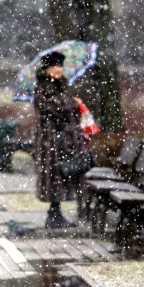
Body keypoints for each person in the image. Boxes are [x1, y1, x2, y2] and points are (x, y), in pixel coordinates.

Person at [33, 51, 84, 229]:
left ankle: (55, 213)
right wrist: (73, 103)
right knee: (54, 175)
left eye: (60, 66)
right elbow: (55, 108)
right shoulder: (44, 87)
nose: (58, 70)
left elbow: (62, 105)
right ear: (46, 69)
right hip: (51, 140)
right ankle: (54, 214)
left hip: (60, 140)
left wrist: (71, 101)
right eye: (54, 66)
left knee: (59, 175)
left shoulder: (58, 86)